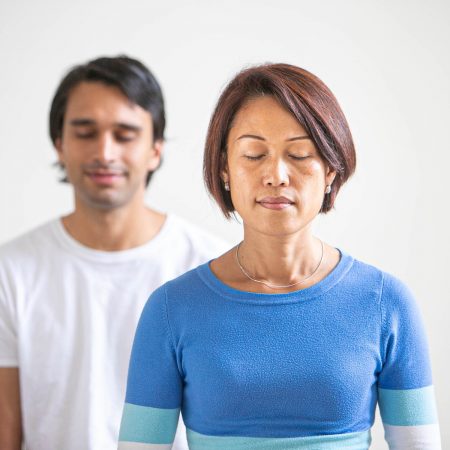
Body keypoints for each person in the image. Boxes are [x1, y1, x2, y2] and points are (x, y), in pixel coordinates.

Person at [118, 63, 441, 449]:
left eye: (300, 154)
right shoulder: (171, 310)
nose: (276, 175)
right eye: (254, 154)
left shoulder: (387, 302)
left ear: (331, 171)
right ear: (224, 168)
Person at [0, 56, 227, 450]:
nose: (105, 153)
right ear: (60, 145)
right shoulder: (11, 272)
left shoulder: (212, 268)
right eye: (85, 132)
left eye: (125, 135)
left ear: (155, 149)